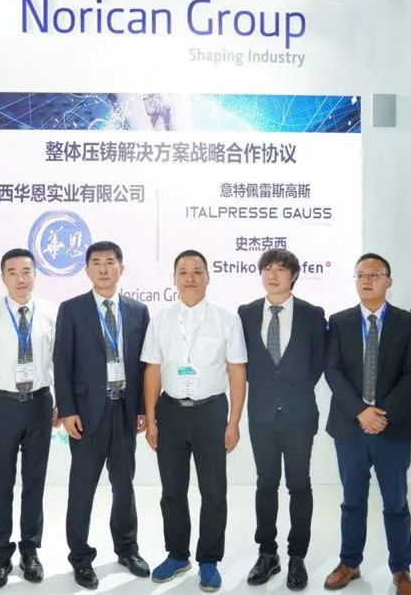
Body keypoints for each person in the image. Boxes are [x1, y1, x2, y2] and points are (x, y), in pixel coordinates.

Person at [141, 249, 247, 593]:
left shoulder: (226, 318)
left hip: (211, 412)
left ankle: (209, 560)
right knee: (172, 490)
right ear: (174, 278)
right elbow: (152, 371)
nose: (190, 278)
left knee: (213, 491)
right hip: (170, 412)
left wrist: (233, 422)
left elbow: (237, 372)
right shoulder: (161, 319)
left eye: (197, 271)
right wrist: (152, 420)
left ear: (208, 277)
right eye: (183, 272)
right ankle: (177, 555)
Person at [323, 253, 411, 595]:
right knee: (352, 499)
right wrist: (360, 412)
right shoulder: (339, 321)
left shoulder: (406, 322)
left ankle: (401, 570)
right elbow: (333, 371)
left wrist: (382, 414)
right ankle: (349, 562)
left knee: (396, 502)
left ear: (388, 281)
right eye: (361, 275)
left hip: (393, 428)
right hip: (349, 427)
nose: (366, 280)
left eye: (375, 274)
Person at [54, 241, 151, 590]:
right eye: (96, 262)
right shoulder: (72, 309)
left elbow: (144, 365)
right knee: (82, 488)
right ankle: (80, 558)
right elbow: (62, 361)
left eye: (110, 262)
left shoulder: (138, 311)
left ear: (121, 268)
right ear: (87, 270)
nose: (104, 268)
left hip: (124, 409)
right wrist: (67, 410)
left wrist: (143, 408)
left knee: (124, 485)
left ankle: (127, 549)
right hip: (86, 414)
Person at [0, 248, 60, 589]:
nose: (21, 278)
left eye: (27, 271)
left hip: (40, 404)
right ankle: (1, 554)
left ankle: (30, 551)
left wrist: (60, 403)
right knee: (2, 482)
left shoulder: (50, 312)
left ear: (36, 274)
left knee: (34, 481)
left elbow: (59, 362)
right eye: (13, 272)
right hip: (4, 406)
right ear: (2, 277)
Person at [238, 249, 326, 590]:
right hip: (261, 414)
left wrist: (293, 389)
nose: (272, 275)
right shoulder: (246, 313)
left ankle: (297, 557)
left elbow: (319, 362)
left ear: (294, 275)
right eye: (267, 269)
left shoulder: (312, 314)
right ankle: (267, 553)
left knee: (299, 484)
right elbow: (241, 361)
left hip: (299, 414)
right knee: (265, 483)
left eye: (280, 269)